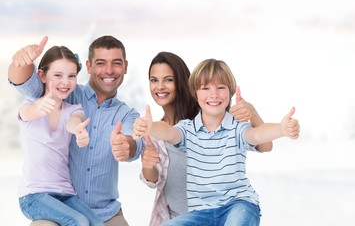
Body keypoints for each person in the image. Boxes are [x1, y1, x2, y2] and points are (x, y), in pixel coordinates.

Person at [134, 58, 300, 226]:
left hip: (237, 205)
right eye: (205, 88)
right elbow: (169, 132)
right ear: (195, 93)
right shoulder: (187, 129)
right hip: (200, 213)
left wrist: (281, 128)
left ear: (230, 93)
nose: (213, 94)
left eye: (221, 87)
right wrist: (150, 126)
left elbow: (258, 135)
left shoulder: (237, 127)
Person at [8, 35, 143, 225]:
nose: (109, 70)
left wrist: (126, 145)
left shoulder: (127, 114)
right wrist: (22, 63)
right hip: (49, 203)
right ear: (88, 66)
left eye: (116, 63)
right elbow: (25, 84)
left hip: (105, 211)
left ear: (126, 67)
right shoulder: (64, 93)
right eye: (101, 63)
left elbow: (134, 143)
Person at [14, 43, 104, 226]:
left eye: (71, 76)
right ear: (42, 76)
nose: (65, 82)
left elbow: (73, 122)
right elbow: (27, 113)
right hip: (34, 196)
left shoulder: (74, 109)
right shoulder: (31, 104)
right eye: (58, 75)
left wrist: (79, 130)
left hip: (66, 194)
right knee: (79, 221)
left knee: (97, 224)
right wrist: (38, 108)